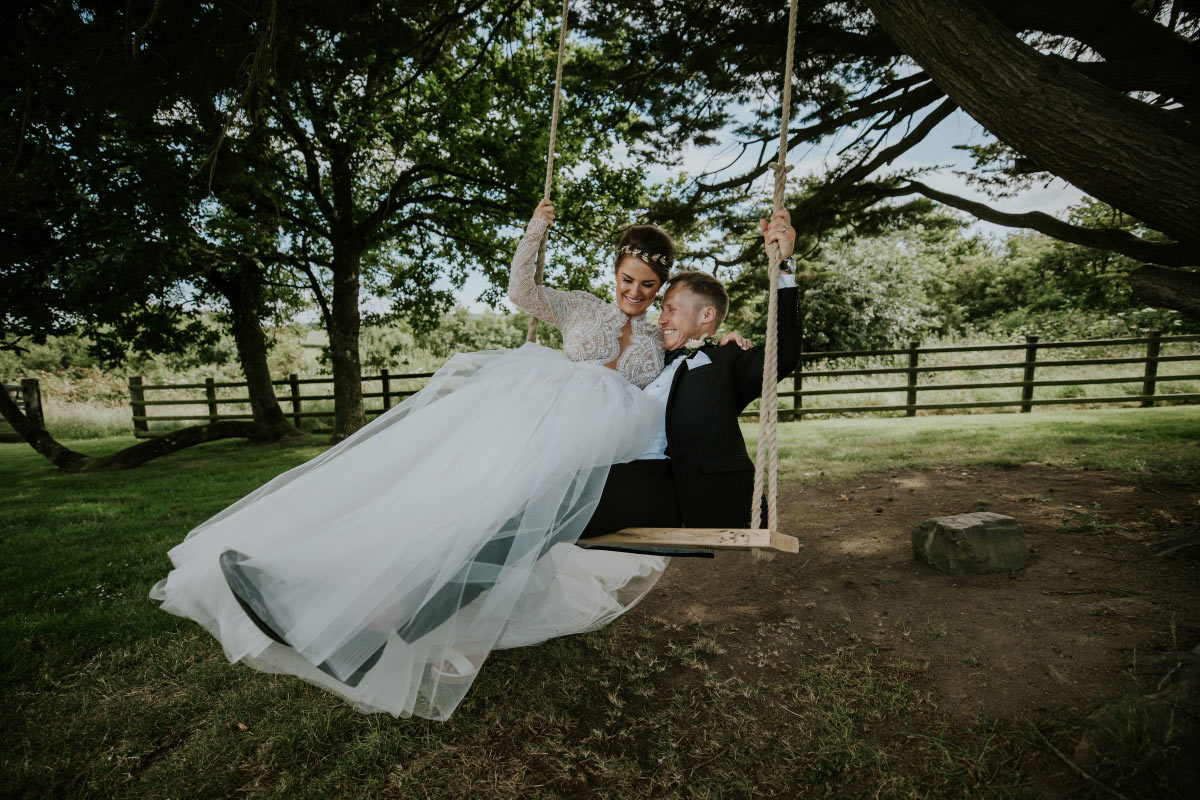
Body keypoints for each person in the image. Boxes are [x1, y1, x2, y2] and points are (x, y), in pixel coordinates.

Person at [149, 202, 733, 721]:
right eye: (628, 279)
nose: (635, 292)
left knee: (492, 534)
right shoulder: (580, 307)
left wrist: (728, 342)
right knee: (433, 504)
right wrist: (537, 229)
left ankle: (354, 621)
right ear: (614, 272)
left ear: (660, 288)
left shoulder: (661, 342)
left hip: (589, 460)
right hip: (533, 429)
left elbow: (691, 362)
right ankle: (316, 584)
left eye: (649, 285)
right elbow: (523, 293)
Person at [580, 209, 801, 538]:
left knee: (555, 507)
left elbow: (783, 354)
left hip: (670, 488)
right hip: (619, 470)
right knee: (533, 497)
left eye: (671, 309)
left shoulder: (726, 361)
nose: (661, 319)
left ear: (706, 315)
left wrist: (783, 267)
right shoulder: (651, 357)